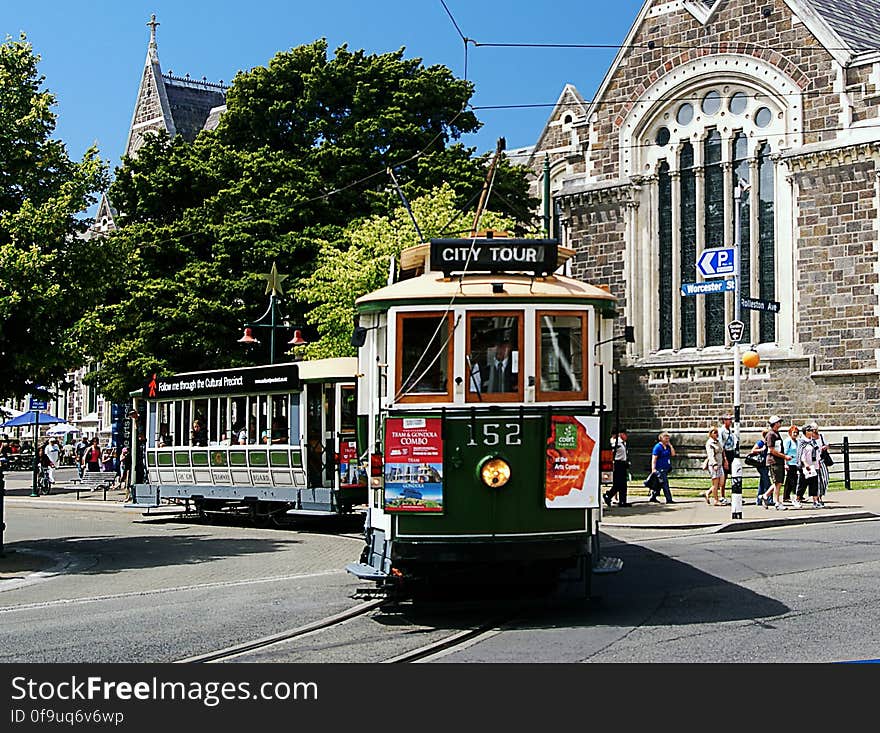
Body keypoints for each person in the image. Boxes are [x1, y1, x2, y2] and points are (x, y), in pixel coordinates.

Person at [764, 415, 788, 511]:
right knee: (777, 482)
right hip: (774, 461)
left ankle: (765, 496)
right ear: (775, 424)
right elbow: (772, 450)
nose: (780, 424)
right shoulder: (771, 435)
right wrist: (784, 456)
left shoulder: (776, 433)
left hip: (779, 460)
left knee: (779, 482)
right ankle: (777, 502)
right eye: (779, 422)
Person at [603, 428, 630, 507]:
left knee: (623, 484)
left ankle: (622, 501)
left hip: (623, 463)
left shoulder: (623, 443)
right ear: (621, 434)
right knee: (618, 483)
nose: (626, 436)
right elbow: (611, 449)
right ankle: (609, 495)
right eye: (625, 434)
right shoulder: (616, 442)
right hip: (618, 464)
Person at [798, 424, 823, 508]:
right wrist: (805, 464)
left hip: (814, 465)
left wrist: (818, 462)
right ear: (806, 432)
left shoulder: (813, 441)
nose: (812, 432)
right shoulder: (802, 442)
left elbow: (817, 452)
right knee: (802, 484)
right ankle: (798, 499)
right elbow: (801, 454)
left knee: (814, 484)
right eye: (810, 430)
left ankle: (815, 501)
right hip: (806, 466)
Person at [648, 430, 675, 503]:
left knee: (659, 484)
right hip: (659, 468)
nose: (667, 440)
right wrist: (653, 468)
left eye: (668, 438)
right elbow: (654, 458)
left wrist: (670, 446)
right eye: (665, 438)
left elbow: (673, 454)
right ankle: (669, 499)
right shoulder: (657, 447)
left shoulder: (667, 447)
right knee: (665, 483)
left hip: (666, 468)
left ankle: (653, 496)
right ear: (661, 438)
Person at [748, 430, 772, 506]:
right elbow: (753, 450)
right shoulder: (760, 443)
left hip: (766, 464)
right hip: (761, 464)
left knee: (762, 482)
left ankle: (758, 500)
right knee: (767, 482)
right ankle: (769, 499)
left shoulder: (768, 443)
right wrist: (762, 449)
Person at [703, 427, 725, 506]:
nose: (716, 434)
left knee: (721, 482)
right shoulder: (710, 443)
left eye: (717, 432)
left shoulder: (718, 442)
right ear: (710, 434)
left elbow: (722, 451)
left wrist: (724, 460)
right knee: (715, 484)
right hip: (714, 465)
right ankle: (716, 500)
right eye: (714, 432)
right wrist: (714, 464)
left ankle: (708, 492)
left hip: (720, 464)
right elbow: (710, 455)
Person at [718, 414, 737, 502]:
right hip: (725, 453)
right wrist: (725, 459)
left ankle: (735, 495)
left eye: (731, 419)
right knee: (724, 476)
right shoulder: (721, 431)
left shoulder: (730, 430)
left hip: (732, 453)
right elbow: (722, 446)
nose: (730, 421)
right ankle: (722, 496)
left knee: (735, 475)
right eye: (728, 419)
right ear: (724, 420)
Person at [782, 425, 802, 508]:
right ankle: (794, 495)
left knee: (789, 480)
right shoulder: (788, 441)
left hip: (795, 463)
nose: (795, 434)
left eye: (797, 433)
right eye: (794, 432)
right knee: (793, 480)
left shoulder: (797, 441)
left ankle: (786, 496)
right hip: (790, 463)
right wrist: (785, 464)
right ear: (790, 433)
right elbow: (785, 452)